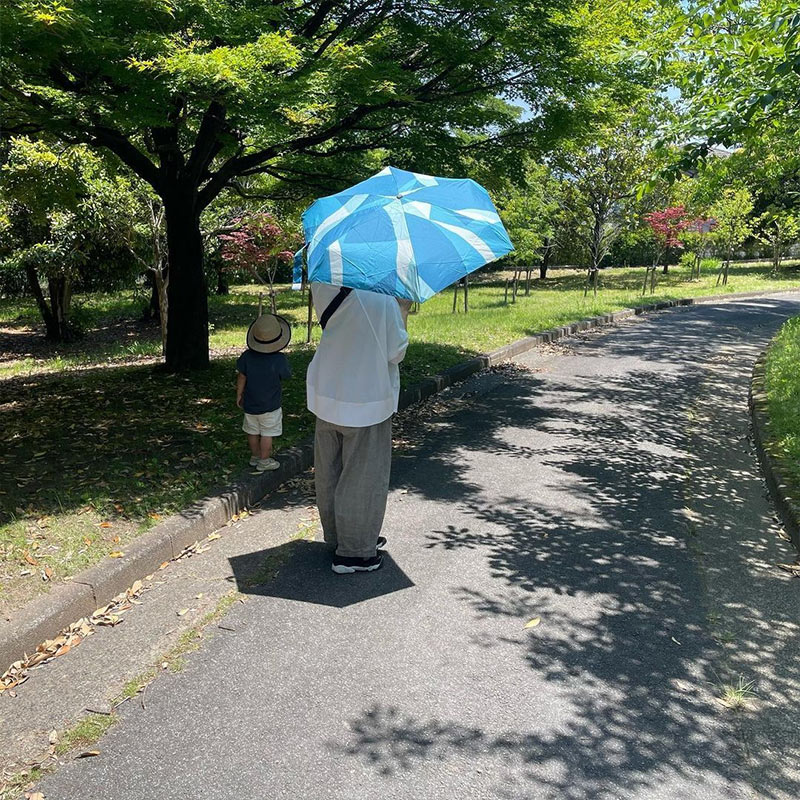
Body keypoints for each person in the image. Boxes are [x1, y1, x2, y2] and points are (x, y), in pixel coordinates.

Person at [307, 283, 410, 574]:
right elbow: (396, 352)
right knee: (363, 476)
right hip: (367, 396)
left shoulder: (322, 284)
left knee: (330, 470)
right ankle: (354, 553)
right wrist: (402, 309)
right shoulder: (382, 296)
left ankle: (343, 536)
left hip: (327, 390)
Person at [236, 313, 292, 473]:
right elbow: (286, 375)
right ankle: (265, 460)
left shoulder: (247, 356)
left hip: (250, 403)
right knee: (267, 433)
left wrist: (239, 394)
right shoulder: (279, 359)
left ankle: (254, 456)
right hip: (271, 405)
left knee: (252, 431)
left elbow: (241, 376)